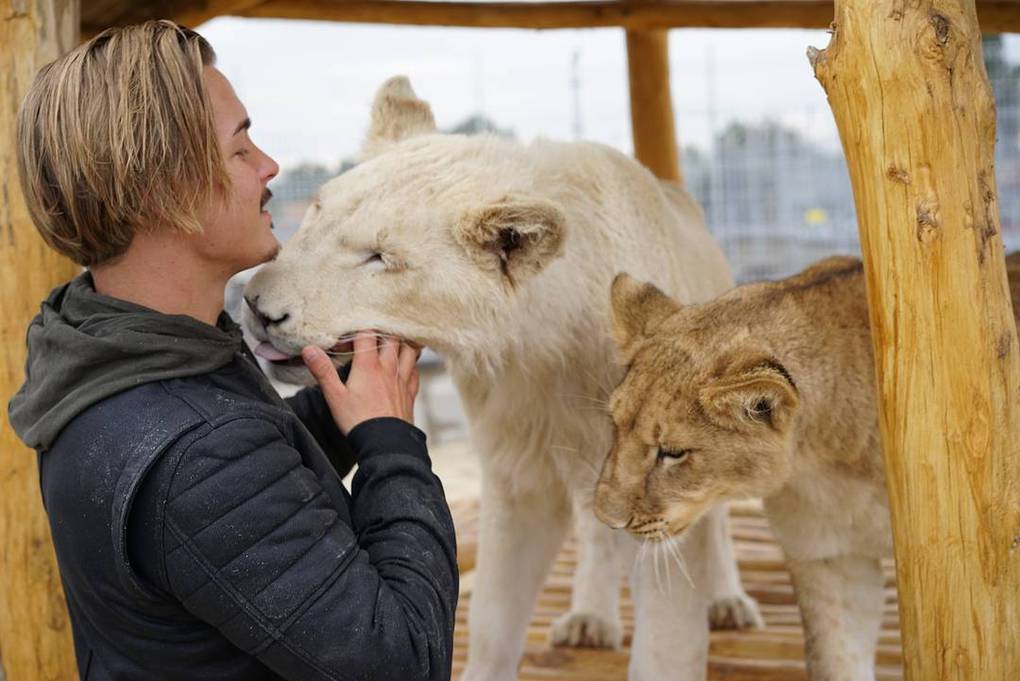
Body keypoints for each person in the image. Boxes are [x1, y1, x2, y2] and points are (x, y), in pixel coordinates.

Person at [8, 20, 458, 681]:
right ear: (164, 188)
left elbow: (236, 491)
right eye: (240, 148)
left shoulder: (104, 351)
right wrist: (390, 441)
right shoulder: (198, 455)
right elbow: (402, 659)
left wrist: (340, 405)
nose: (270, 166)